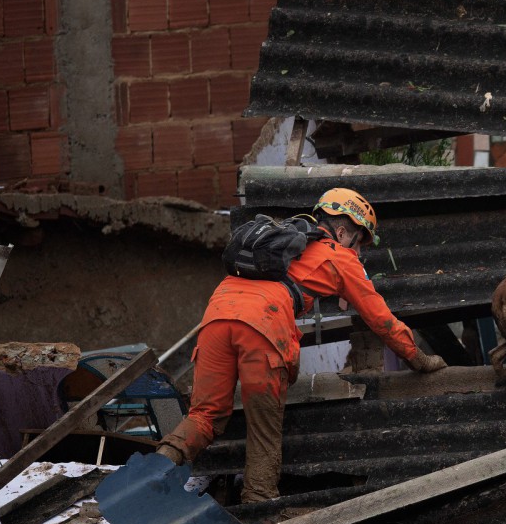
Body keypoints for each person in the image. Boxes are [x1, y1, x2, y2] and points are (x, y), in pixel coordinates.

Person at [157, 188, 447, 503]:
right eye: (359, 242)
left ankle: (150, 475)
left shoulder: (286, 240)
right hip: (264, 324)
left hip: (218, 312)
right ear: (341, 231)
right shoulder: (339, 256)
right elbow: (381, 320)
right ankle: (259, 504)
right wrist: (418, 359)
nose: (359, 253)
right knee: (264, 429)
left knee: (205, 415)